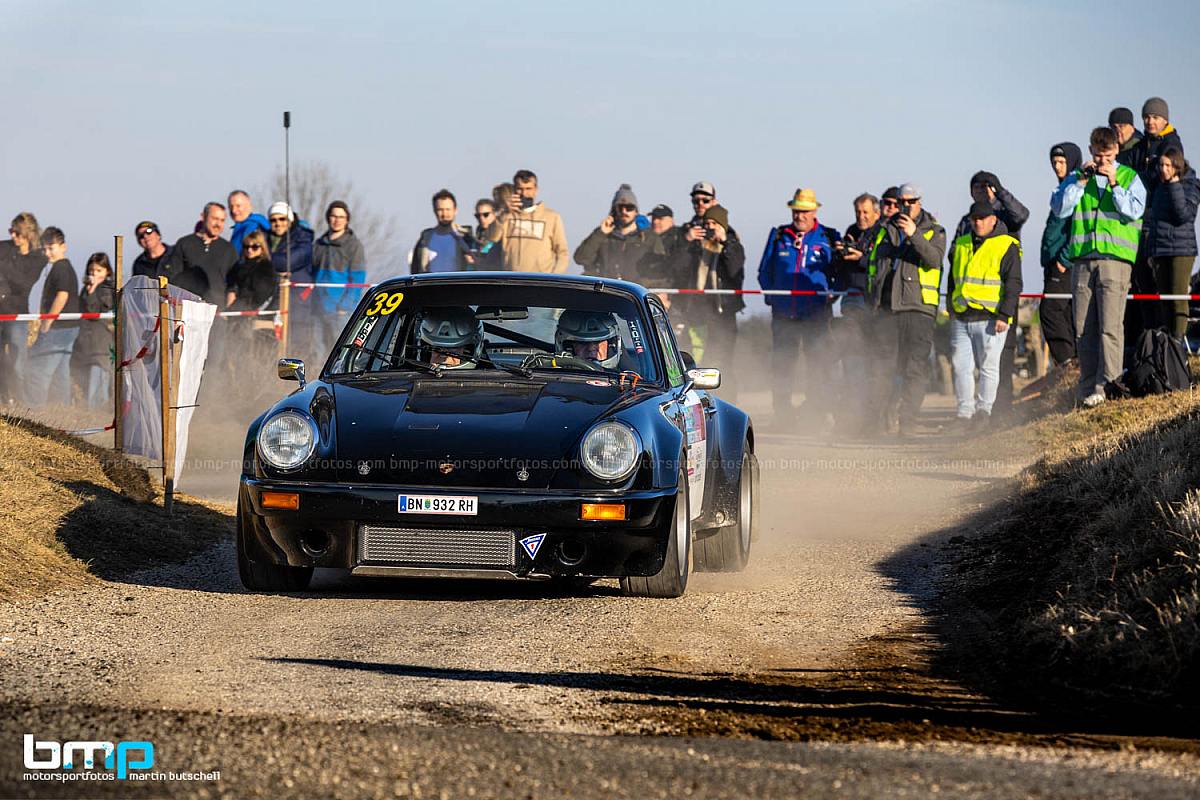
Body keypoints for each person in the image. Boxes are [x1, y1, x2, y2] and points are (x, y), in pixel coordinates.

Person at [1050, 126, 1147, 407]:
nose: (1103, 161)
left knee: (1110, 327)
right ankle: (1086, 389)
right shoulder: (1077, 177)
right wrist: (1080, 182)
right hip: (1082, 260)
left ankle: (1109, 386)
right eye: (1098, 155)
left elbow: (1134, 211)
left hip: (1115, 261)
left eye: (1108, 155)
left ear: (1116, 150)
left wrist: (1114, 184)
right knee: (1083, 328)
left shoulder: (1129, 177)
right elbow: (1060, 208)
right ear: (1091, 150)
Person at [867, 183, 947, 438]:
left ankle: (908, 423)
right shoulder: (885, 230)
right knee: (881, 368)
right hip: (887, 310)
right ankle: (877, 424)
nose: (905, 206)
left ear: (920, 202)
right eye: (901, 202)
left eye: (911, 202)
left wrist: (914, 234)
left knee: (914, 369)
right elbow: (874, 267)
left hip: (918, 309)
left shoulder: (935, 230)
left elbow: (934, 260)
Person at [757, 189, 839, 426]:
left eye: (804, 211)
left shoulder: (829, 237)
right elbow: (764, 271)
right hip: (784, 314)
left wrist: (832, 295)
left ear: (814, 212)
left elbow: (841, 274)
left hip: (817, 314)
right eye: (795, 211)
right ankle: (783, 416)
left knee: (818, 366)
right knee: (782, 366)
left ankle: (816, 414)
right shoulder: (778, 235)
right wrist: (771, 297)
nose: (799, 215)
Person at [951, 171, 1029, 419]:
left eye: (987, 187)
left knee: (995, 365)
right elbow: (954, 269)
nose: (978, 222)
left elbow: (1021, 215)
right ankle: (966, 415)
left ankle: (992, 413)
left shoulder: (1006, 221)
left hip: (993, 313)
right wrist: (952, 307)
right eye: (977, 187)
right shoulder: (964, 231)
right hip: (963, 314)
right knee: (962, 367)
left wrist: (1000, 191)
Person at [675, 203, 744, 397]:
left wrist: (725, 243)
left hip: (723, 314)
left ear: (723, 226)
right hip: (696, 313)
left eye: (715, 224)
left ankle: (728, 400)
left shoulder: (733, 245)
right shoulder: (696, 246)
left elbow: (734, 271)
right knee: (696, 362)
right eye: (707, 224)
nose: (710, 228)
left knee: (723, 360)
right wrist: (687, 242)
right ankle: (697, 400)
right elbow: (678, 269)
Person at [1145, 147, 1199, 339]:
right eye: (1161, 165)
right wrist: (1150, 251)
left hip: (1182, 249)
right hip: (1160, 250)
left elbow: (1183, 216)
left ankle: (1178, 340)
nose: (1163, 169)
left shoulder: (1191, 185)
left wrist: (1175, 186)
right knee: (1164, 297)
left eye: (1168, 165)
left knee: (1178, 295)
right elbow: (1154, 221)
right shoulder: (1160, 187)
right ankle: (1167, 341)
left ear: (1177, 165)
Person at [25, 227, 80, 407]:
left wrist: (47, 322)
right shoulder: (64, 267)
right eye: (45, 249)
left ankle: (33, 412)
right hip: (68, 327)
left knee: (37, 369)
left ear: (63, 246)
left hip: (58, 328)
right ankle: (62, 411)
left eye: (51, 248)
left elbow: (62, 296)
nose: (47, 252)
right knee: (60, 373)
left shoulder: (60, 268)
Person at [1039, 142, 1082, 368]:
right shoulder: (1064, 188)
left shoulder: (1076, 188)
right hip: (1054, 260)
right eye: (1054, 162)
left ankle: (1067, 361)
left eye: (1062, 162)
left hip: (1063, 262)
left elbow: (1079, 228)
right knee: (1064, 312)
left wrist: (1064, 258)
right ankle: (1072, 361)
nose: (1057, 166)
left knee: (1050, 310)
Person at [573, 184, 666, 285]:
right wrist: (600, 233)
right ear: (613, 211)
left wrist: (644, 286)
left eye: (629, 207)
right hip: (607, 289)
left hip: (636, 291)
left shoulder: (649, 237)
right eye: (619, 207)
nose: (624, 211)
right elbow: (581, 258)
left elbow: (661, 270)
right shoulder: (602, 235)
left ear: (636, 211)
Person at [483, 170, 568, 273]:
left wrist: (555, 277)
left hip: (541, 279)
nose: (524, 194)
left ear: (536, 190)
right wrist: (504, 215)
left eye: (528, 189)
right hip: (511, 278)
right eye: (520, 189)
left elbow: (562, 252)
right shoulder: (507, 216)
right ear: (514, 190)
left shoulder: (551, 217)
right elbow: (492, 237)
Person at [0, 212, 45, 405]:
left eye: (17, 233)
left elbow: (23, 283)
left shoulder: (38, 258)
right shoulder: (4, 247)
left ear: (29, 234)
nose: (13, 236)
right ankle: (5, 400)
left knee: (18, 362)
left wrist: (3, 267)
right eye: (11, 231)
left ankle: (23, 402)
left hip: (17, 315)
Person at [312, 200, 367, 356]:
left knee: (340, 354)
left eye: (341, 217)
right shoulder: (319, 244)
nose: (337, 220)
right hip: (318, 308)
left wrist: (345, 306)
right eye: (334, 216)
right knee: (318, 352)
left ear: (347, 220)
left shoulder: (354, 245)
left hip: (340, 311)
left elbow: (358, 278)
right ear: (328, 218)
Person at [166, 202, 239, 306]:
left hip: (217, 310)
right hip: (189, 308)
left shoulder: (229, 249)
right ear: (203, 217)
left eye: (222, 220)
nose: (218, 224)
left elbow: (233, 286)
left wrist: (228, 311)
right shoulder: (185, 243)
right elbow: (173, 279)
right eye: (215, 219)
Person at [71, 252, 115, 408]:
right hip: (85, 339)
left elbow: (95, 311)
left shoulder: (107, 288)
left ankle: (99, 409)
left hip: (100, 341)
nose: (94, 274)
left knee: (99, 375)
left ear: (107, 271)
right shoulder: (86, 288)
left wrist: (92, 291)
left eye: (99, 271)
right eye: (91, 270)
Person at [411, 189, 475, 273]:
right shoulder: (424, 239)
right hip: (430, 281)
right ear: (434, 211)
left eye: (448, 209)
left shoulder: (465, 238)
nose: (444, 214)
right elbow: (415, 270)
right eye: (440, 210)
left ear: (455, 210)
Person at [417, 306, 484, 369]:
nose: (443, 356)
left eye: (452, 349)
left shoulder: (488, 375)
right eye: (437, 349)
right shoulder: (412, 373)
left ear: (468, 352)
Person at [555, 310, 623, 369]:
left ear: (611, 345)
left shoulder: (625, 377)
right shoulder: (551, 376)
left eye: (598, 342)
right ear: (569, 348)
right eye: (583, 343)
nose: (591, 348)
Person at [227, 190, 269, 254]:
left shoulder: (253, 227)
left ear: (249, 206)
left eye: (238, 206)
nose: (234, 211)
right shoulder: (239, 227)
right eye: (231, 207)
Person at [472, 199, 502, 270]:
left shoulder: (501, 239)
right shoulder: (473, 241)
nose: (481, 218)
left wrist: (481, 261)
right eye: (478, 216)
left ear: (495, 214)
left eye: (486, 215)